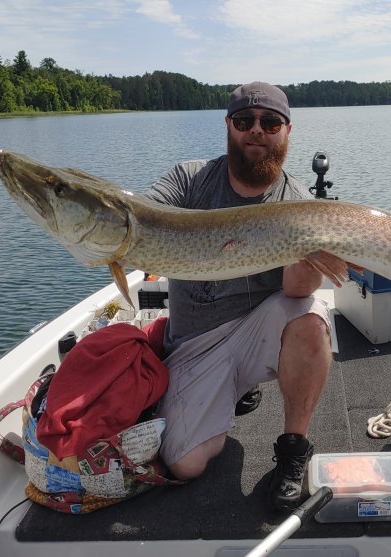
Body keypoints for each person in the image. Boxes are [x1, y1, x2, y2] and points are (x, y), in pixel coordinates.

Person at [145, 81, 332, 511]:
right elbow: (144, 215)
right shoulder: (189, 180)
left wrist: (316, 252)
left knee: (310, 316)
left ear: (287, 130)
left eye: (270, 122)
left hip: (258, 333)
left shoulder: (298, 202)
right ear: (229, 126)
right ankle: (230, 392)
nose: (257, 131)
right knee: (184, 464)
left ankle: (293, 447)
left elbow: (294, 290)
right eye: (245, 121)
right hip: (196, 345)